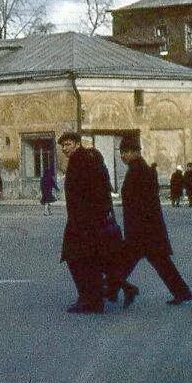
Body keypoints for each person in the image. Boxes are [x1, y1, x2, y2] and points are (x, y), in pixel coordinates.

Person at [116, 138, 192, 305]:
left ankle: (108, 291)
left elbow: (141, 203)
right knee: (159, 263)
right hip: (148, 229)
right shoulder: (140, 169)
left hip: (142, 229)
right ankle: (182, 292)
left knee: (126, 262)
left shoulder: (138, 170)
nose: (122, 156)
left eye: (125, 152)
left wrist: (136, 229)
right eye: (121, 152)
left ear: (135, 152)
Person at [57, 132, 112, 313]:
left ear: (77, 144)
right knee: (87, 259)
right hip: (86, 219)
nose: (65, 148)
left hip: (83, 221)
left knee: (77, 259)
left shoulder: (80, 161)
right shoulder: (85, 159)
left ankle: (89, 299)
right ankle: (92, 298)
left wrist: (87, 217)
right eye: (63, 145)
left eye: (68, 144)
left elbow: (89, 191)